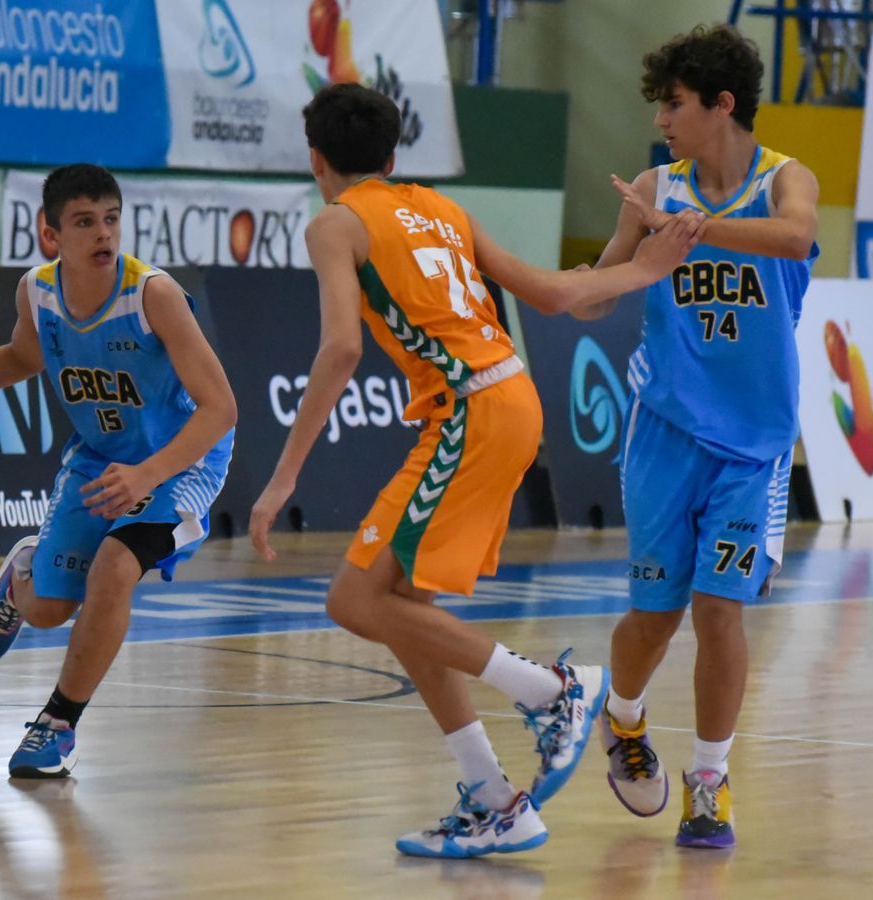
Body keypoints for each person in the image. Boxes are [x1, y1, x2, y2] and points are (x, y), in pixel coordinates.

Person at [249, 83, 700, 858]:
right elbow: (556, 293)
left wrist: (284, 475)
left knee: (355, 601)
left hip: (470, 411)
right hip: (509, 396)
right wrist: (647, 267)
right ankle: (496, 799)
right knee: (399, 608)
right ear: (393, 159)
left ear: (316, 160)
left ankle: (555, 692)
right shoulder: (442, 210)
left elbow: (341, 349)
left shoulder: (334, 224)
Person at [575, 24, 820, 849]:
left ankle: (709, 779)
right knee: (655, 614)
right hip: (667, 428)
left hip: (755, 442)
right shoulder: (653, 185)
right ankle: (624, 718)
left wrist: (688, 230)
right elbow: (609, 282)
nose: (662, 119)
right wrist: (577, 288)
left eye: (675, 104)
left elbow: (794, 238)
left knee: (722, 611)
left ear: (723, 105)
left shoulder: (785, 178)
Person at [0, 163, 237, 778]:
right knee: (47, 611)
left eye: (111, 220)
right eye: (85, 223)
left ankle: (56, 725)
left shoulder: (154, 296)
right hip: (99, 457)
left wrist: (148, 476)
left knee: (116, 569)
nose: (104, 236)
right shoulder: (36, 293)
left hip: (182, 459)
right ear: (51, 235)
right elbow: (20, 359)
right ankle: (20, 577)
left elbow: (222, 409)